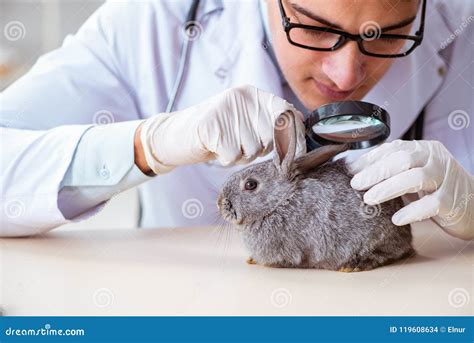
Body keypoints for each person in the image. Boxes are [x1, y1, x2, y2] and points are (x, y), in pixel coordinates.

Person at [1, 0, 472, 239]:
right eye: (312, 26)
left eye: (390, 34)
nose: (346, 75)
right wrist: (152, 145)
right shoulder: (155, 18)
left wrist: (470, 209)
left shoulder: (461, 22)